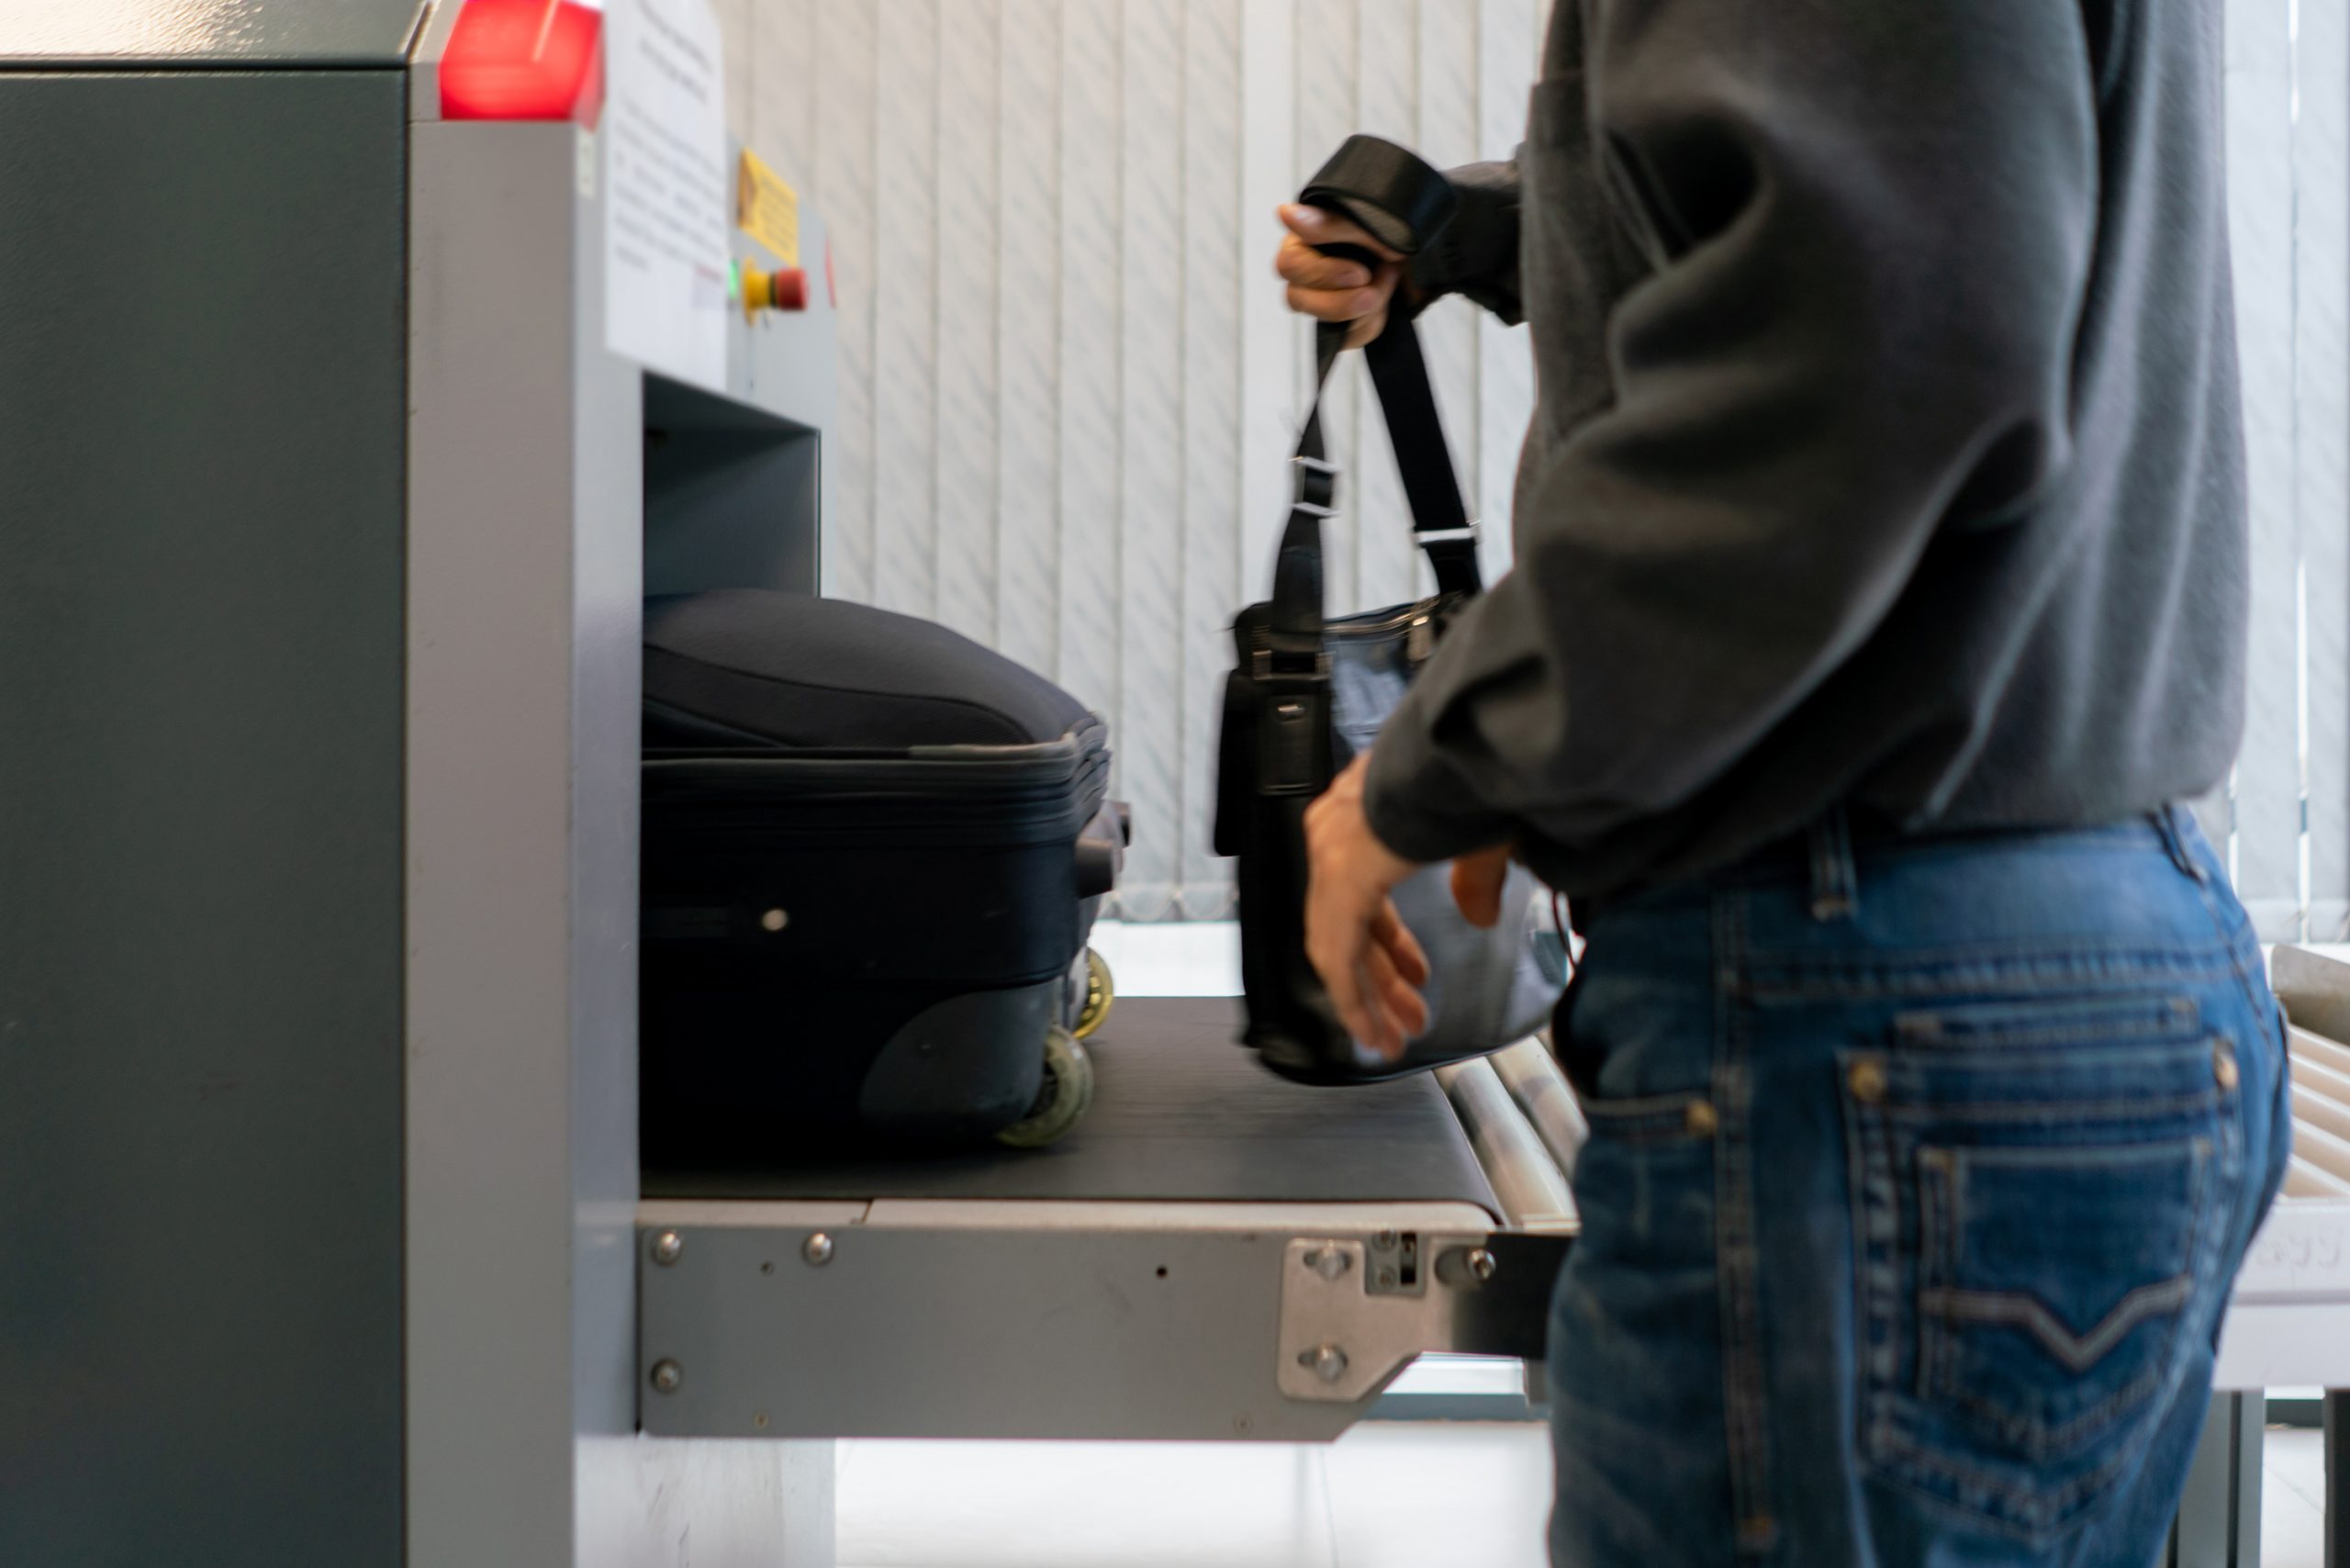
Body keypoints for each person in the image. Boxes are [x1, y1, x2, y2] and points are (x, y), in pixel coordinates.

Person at [1278, 3, 2294, 1564]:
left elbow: (1883, 337)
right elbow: (1890, 181)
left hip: (1870, 987)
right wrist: (1472, 230)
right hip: (2013, 944)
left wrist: (1429, 769)